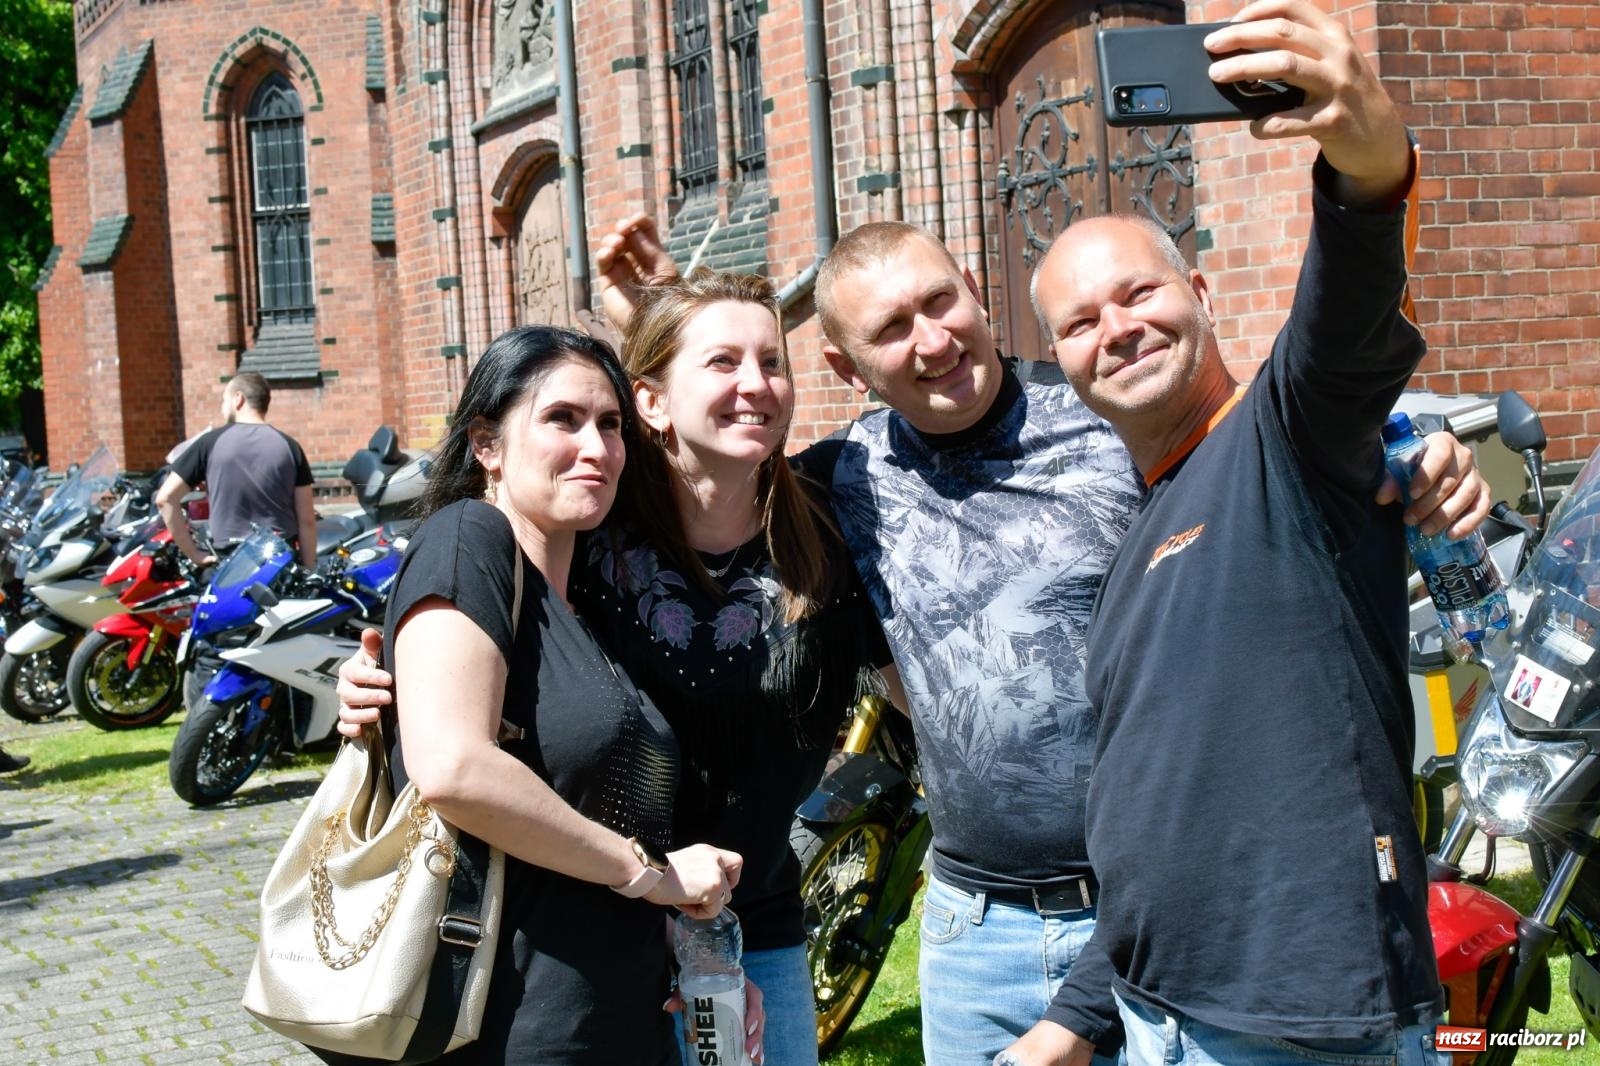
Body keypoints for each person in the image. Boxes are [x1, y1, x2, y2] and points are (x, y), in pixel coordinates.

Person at [1011, 2, 1450, 1062]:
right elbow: (1161, 807)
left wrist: (1367, 159)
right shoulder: (1142, 534)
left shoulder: (1284, 439)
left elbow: (1343, 320)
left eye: (1138, 294)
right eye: (1080, 323)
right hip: (1158, 1012)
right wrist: (1078, 1017)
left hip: (1304, 1024)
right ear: (1060, 362)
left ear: (1201, 292)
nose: (1116, 330)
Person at [340, 274, 894, 1066]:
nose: (756, 383)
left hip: (728, 922)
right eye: (723, 361)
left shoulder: (825, 526)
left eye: (772, 361)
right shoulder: (582, 531)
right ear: (654, 404)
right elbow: (460, 738)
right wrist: (381, 689)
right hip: (588, 928)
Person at [371, 323, 746, 1063]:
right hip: (511, 1029)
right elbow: (452, 767)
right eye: (562, 419)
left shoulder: (587, 602)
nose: (596, 447)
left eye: (610, 424)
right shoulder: (468, 540)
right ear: (487, 444)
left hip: (623, 1019)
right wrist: (650, 875)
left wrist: (697, 951)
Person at [155, 371, 318, 568]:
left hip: (231, 562)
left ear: (238, 399)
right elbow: (307, 520)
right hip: (280, 561)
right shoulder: (289, 446)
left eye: (224, 400)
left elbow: (165, 499)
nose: (222, 409)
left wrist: (194, 554)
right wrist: (309, 569)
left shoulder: (210, 443)